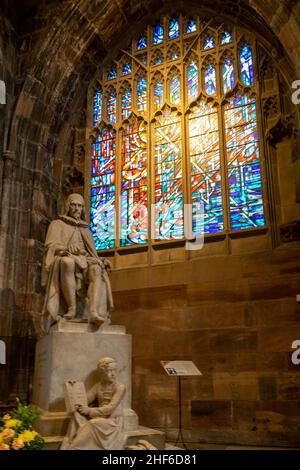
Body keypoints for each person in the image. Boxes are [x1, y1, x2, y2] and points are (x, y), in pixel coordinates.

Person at [41, 193, 113, 328]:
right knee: (67, 262)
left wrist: (101, 260)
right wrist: (66, 248)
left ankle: (92, 311)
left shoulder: (87, 230)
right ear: (68, 206)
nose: (76, 209)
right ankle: (72, 307)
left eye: (79, 206)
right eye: (74, 205)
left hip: (84, 261)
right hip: (64, 258)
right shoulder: (57, 224)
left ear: (83, 209)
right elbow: (50, 246)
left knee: (96, 269)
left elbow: (93, 254)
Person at [61, 357, 126, 450]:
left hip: (112, 421)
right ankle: (72, 442)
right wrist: (73, 387)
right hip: (100, 417)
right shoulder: (98, 386)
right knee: (76, 415)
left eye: (115, 370)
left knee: (92, 423)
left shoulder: (120, 387)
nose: (113, 374)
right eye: (109, 371)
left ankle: (73, 448)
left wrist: (89, 411)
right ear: (102, 373)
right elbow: (85, 399)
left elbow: (110, 408)